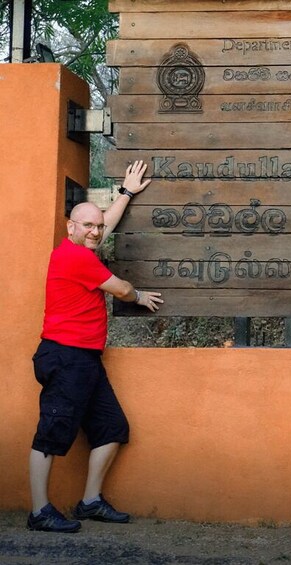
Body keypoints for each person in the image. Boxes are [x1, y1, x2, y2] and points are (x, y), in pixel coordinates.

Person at [28, 161, 164, 533]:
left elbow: (104, 228)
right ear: (70, 227)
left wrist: (126, 193)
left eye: (98, 226)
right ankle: (39, 511)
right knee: (53, 432)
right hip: (65, 355)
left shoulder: (82, 251)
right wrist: (137, 295)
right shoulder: (73, 257)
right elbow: (120, 289)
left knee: (112, 428)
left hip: (85, 359)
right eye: (87, 225)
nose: (95, 231)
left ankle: (90, 502)